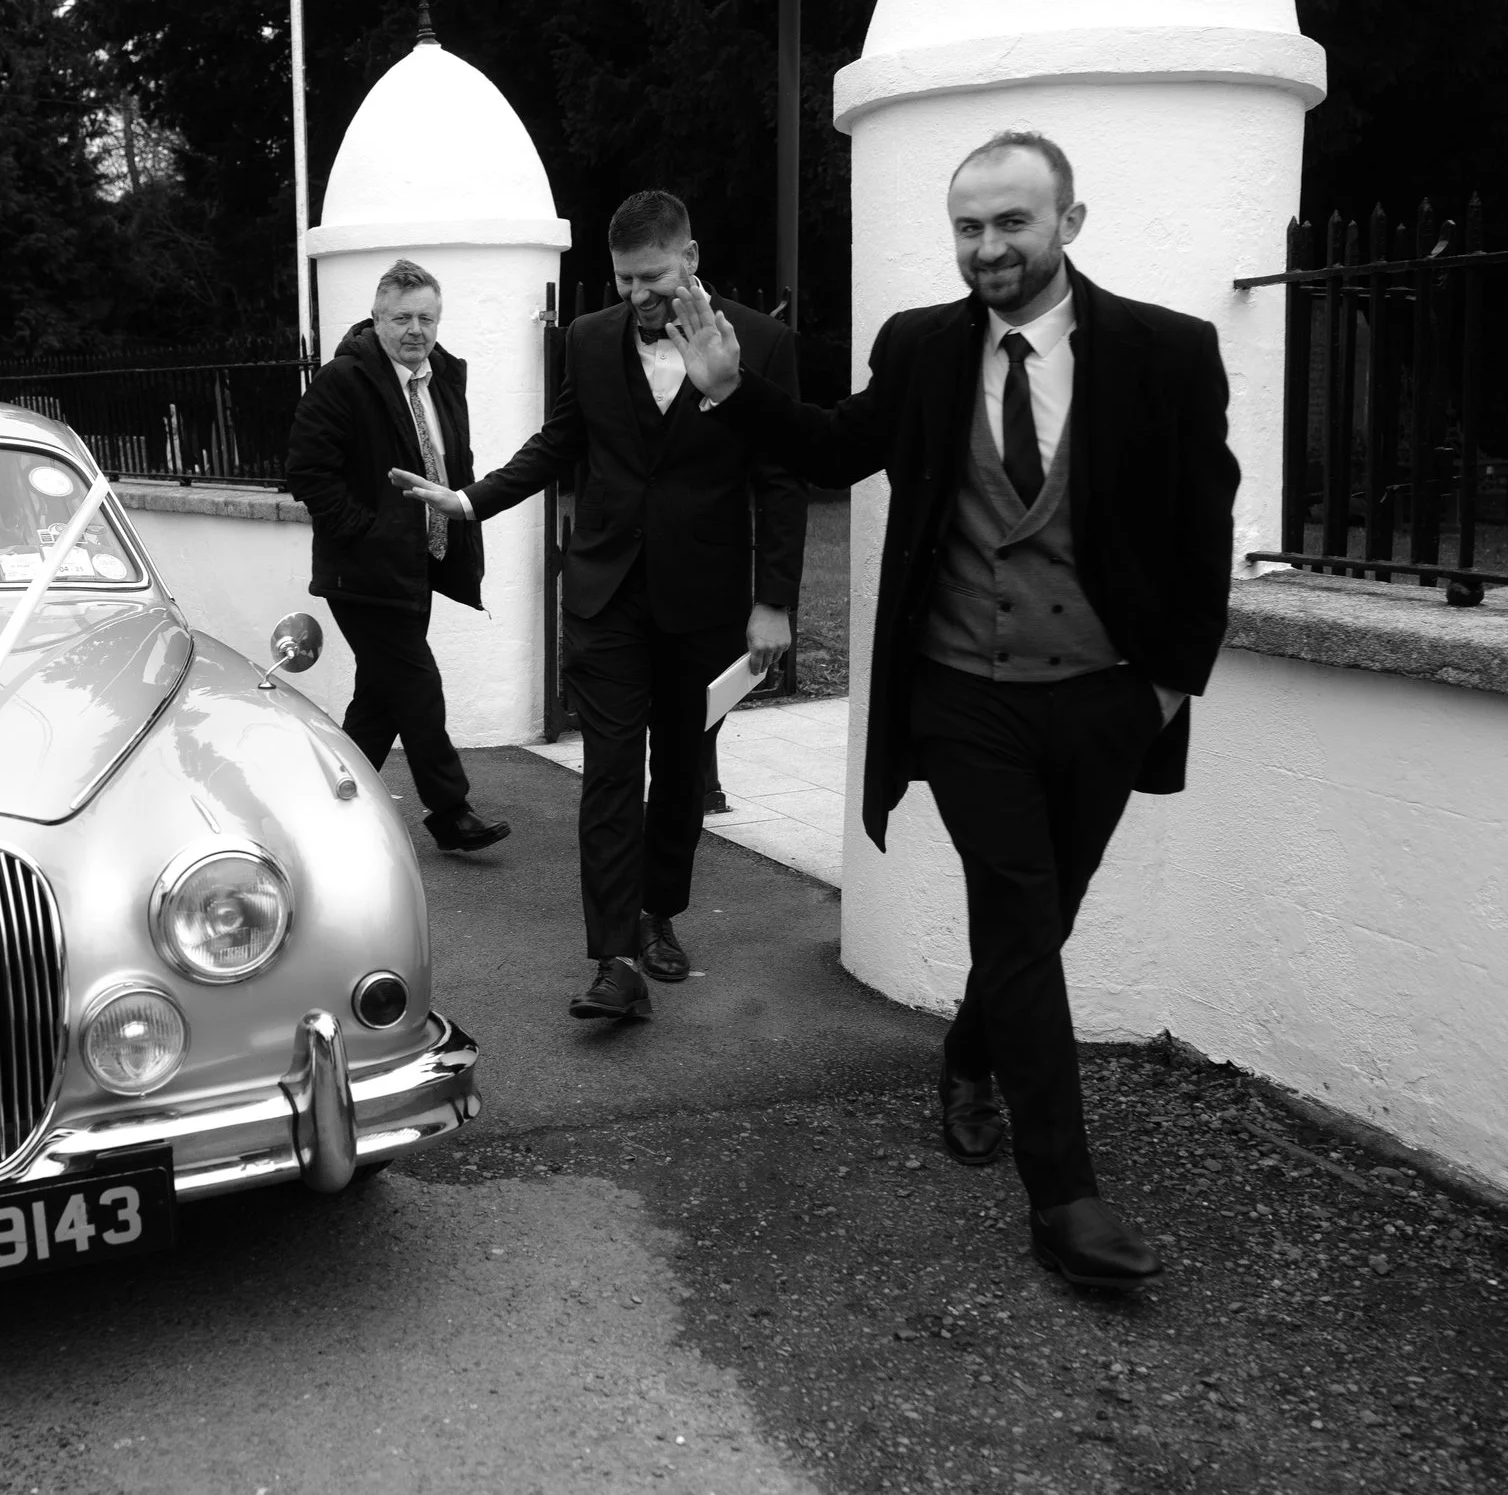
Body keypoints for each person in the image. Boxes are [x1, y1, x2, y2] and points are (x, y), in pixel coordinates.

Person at [668, 131, 1241, 1290]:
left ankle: (970, 1053)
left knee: (1044, 918)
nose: (987, 248)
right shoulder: (923, 348)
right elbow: (839, 447)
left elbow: (1203, 523)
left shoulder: (1167, 353)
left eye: (1011, 224)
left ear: (1068, 223)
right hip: (961, 695)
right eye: (969, 227)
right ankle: (1064, 1197)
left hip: (1102, 696)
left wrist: (1166, 685)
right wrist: (734, 392)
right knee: (1020, 916)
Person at [390, 194, 805, 1019]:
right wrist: (468, 500)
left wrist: (774, 603)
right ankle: (616, 957)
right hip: (604, 594)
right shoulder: (588, 338)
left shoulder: (761, 342)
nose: (638, 296)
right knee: (611, 771)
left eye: (651, 277)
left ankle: (659, 913)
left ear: (690, 255)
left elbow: (781, 478)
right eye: (623, 281)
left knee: (682, 771)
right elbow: (560, 443)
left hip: (704, 598)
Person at [286, 259, 511, 853]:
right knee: (417, 685)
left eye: (427, 317)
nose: (416, 329)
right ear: (378, 319)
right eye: (403, 317)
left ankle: (324, 799)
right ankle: (450, 811)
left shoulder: (443, 376)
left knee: (381, 697)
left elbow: (451, 460)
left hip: (417, 566)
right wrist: (366, 531)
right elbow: (307, 471)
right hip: (360, 572)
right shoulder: (343, 380)